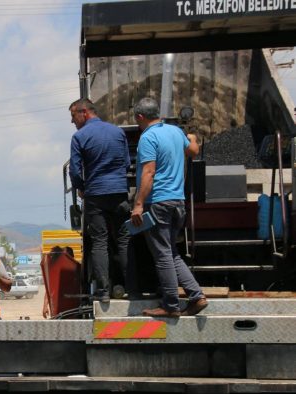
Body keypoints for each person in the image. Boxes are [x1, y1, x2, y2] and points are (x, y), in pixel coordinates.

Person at [130, 97, 207, 317]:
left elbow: (149, 172)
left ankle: (171, 306)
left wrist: (138, 204)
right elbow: (193, 151)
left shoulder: (148, 137)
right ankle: (196, 296)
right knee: (171, 253)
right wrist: (191, 137)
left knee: (162, 256)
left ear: (140, 117)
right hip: (178, 201)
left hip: (159, 202)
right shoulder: (175, 132)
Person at [68, 98, 131, 302]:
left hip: (96, 195)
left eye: (73, 116)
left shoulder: (79, 137)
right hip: (120, 193)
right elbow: (127, 162)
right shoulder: (118, 132)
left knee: (99, 242)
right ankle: (132, 288)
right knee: (123, 240)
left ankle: (103, 292)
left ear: (84, 112)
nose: (72, 121)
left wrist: (81, 188)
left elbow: (75, 171)